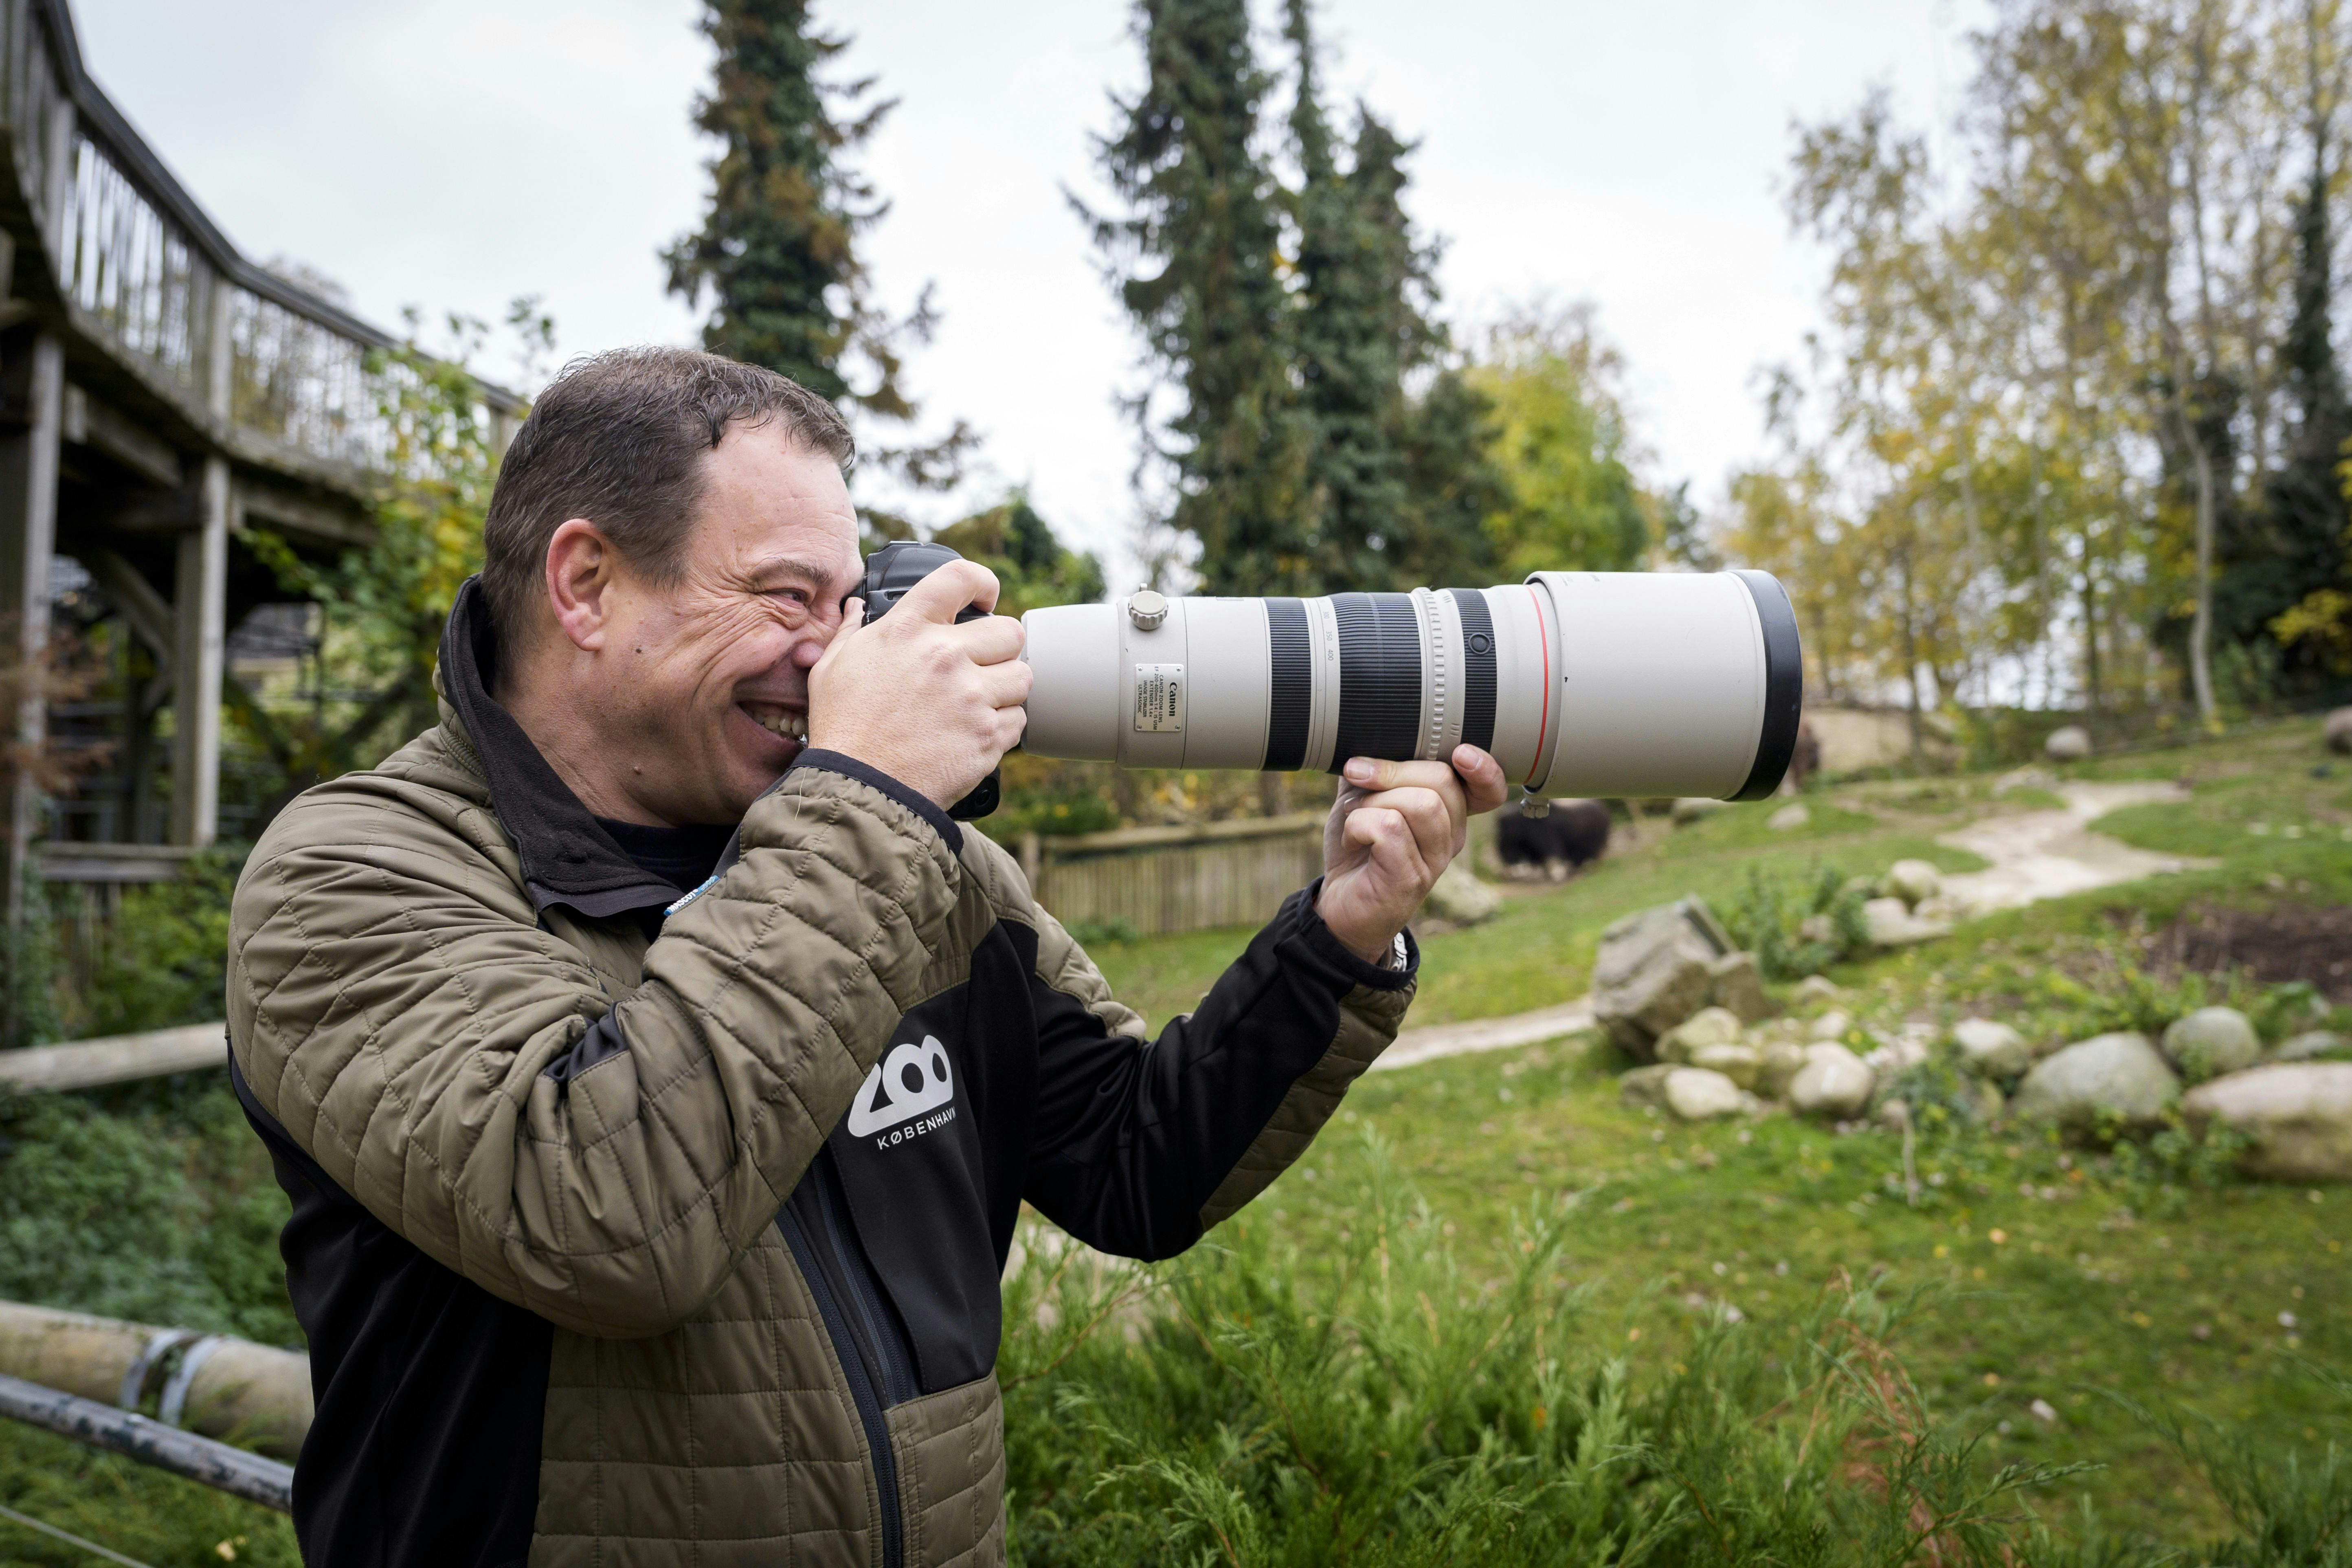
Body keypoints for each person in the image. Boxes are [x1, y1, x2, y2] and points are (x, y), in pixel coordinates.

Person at [226, 346, 1507, 1568]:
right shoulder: (356, 873)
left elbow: (1137, 1162)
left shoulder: (889, 848)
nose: (839, 655)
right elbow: (607, 1219)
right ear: (587, 583)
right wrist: (864, 792)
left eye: (849, 607)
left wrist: (1340, 931)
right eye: (787, 597)